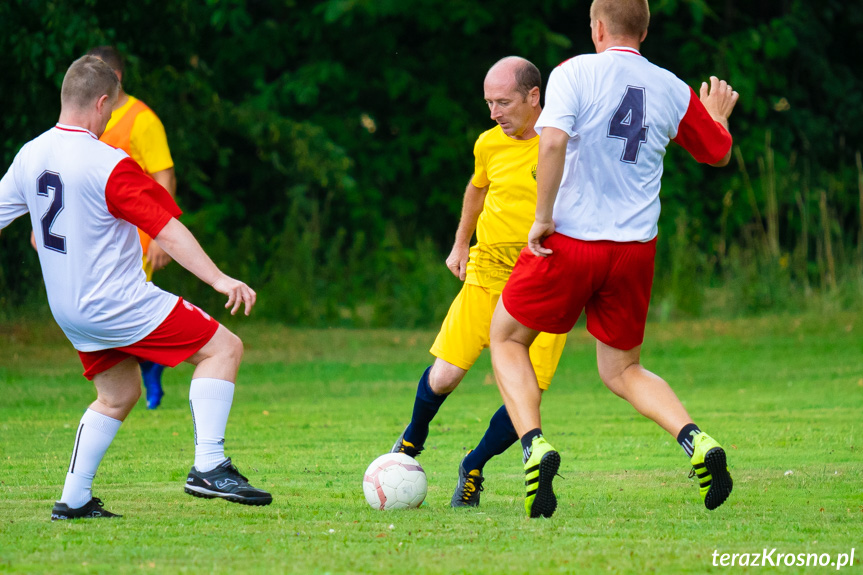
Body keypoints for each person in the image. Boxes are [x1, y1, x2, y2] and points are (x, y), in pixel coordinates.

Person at [488, 0, 740, 518]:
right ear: (645, 30)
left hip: (572, 242)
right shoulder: (672, 87)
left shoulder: (572, 72)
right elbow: (717, 152)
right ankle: (697, 440)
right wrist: (714, 118)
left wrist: (542, 216)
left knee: (507, 337)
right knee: (623, 368)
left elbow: (553, 140)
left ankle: (535, 445)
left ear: (597, 28)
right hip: (633, 252)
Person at [0, 55, 271, 519]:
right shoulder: (109, 163)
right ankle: (208, 466)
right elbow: (167, 229)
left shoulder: (31, 153)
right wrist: (220, 278)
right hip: (117, 302)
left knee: (117, 394)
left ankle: (75, 498)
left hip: (69, 310)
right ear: (102, 102)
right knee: (224, 349)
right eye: (110, 111)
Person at [391, 57, 567, 508]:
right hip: (487, 276)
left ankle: (473, 465)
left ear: (534, 97)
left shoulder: (564, 141)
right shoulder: (488, 143)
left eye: (503, 102)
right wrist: (459, 244)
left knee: (523, 397)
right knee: (446, 375)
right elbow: (477, 189)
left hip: (544, 282)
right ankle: (412, 439)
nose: (494, 113)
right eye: (489, 103)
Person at [89, 45, 177, 409]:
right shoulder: (87, 116)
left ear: (116, 78)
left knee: (124, 311)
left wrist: (161, 234)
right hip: (95, 239)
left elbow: (164, 174)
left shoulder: (142, 120)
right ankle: (150, 362)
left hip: (133, 239)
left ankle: (143, 369)